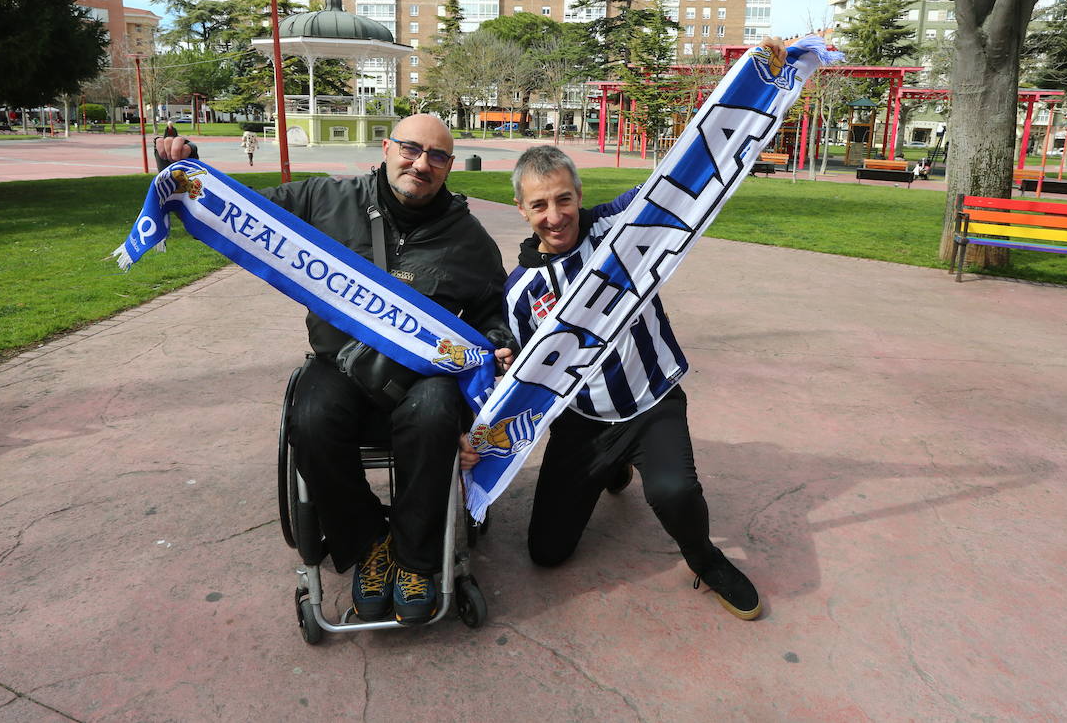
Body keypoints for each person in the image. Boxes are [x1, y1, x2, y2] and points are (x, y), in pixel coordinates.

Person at [155, 115, 515, 625]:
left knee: (438, 412)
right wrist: (186, 173)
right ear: (386, 148)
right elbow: (242, 212)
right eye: (411, 149)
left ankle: (415, 559)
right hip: (338, 365)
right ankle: (369, 543)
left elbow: (489, 308)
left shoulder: (468, 238)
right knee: (311, 417)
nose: (422, 164)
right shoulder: (324, 200)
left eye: (437, 156)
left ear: (449, 166)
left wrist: (498, 343)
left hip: (421, 377)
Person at [490, 143, 761, 620]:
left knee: (673, 491)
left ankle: (705, 558)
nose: (555, 216)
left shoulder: (620, 227)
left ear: (579, 194)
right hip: (584, 425)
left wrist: (748, 119)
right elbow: (526, 369)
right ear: (522, 209)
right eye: (539, 204)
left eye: (563, 199)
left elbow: (683, 179)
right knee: (547, 553)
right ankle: (614, 469)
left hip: (651, 399)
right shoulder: (518, 292)